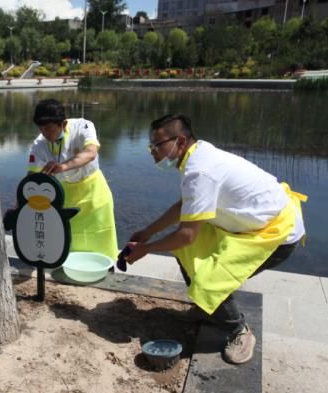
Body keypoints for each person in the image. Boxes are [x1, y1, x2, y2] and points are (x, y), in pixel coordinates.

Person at [125, 114, 306, 365]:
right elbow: (185, 206)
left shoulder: (200, 170)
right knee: (189, 254)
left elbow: (187, 234)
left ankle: (239, 331)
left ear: (179, 141)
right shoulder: (197, 155)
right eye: (151, 146)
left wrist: (146, 249)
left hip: (275, 234)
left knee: (209, 276)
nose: (152, 152)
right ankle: (210, 311)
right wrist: (148, 231)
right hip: (247, 224)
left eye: (157, 145)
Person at [26, 98, 118, 259]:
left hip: (93, 193)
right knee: (68, 238)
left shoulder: (83, 126)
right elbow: (32, 177)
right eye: (41, 128)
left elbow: (90, 153)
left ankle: (106, 265)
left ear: (63, 123)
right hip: (65, 194)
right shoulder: (39, 143)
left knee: (100, 234)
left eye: (48, 128)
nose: (45, 133)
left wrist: (63, 166)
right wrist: (19, 205)